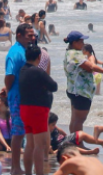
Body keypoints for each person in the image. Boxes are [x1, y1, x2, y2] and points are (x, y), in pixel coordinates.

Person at [19, 44, 59, 175]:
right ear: (39, 57)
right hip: (38, 111)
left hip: (24, 109)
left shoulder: (22, 70)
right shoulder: (38, 72)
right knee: (40, 145)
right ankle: (40, 173)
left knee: (29, 144)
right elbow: (53, 86)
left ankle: (28, 173)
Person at [4, 23, 37, 172]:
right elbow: (9, 75)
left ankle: (21, 167)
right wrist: (10, 91)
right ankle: (15, 168)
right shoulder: (15, 52)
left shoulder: (26, 50)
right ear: (19, 35)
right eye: (29, 35)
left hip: (27, 97)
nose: (33, 37)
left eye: (33, 35)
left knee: (25, 131)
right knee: (18, 133)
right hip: (18, 97)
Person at [64, 31, 103, 134]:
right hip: (81, 92)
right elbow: (91, 67)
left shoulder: (70, 52)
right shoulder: (76, 54)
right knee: (79, 121)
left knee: (74, 120)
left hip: (73, 90)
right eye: (81, 41)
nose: (83, 43)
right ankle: (78, 144)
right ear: (74, 42)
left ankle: (73, 141)